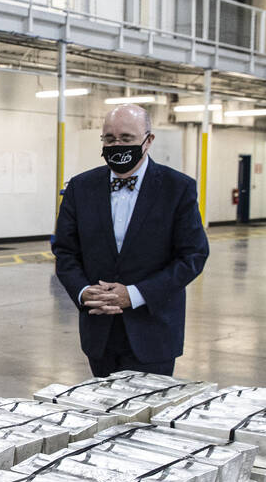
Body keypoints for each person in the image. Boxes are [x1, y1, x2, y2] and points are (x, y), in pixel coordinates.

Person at [52, 104, 209, 377]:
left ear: (148, 141)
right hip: (99, 331)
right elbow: (65, 252)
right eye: (109, 139)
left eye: (126, 138)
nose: (117, 145)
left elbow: (193, 256)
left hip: (153, 331)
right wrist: (82, 292)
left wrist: (135, 294)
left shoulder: (177, 188)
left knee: (147, 416)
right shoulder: (80, 187)